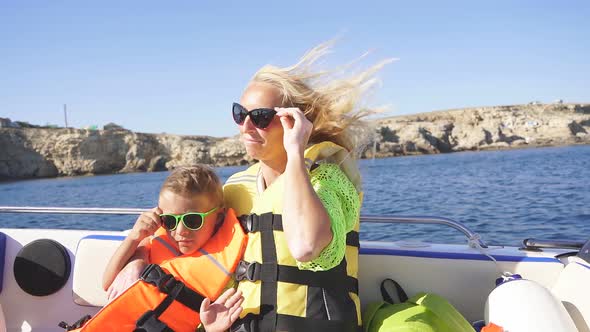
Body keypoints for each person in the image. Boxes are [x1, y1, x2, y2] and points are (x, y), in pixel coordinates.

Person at [224, 41, 391, 332]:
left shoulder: (326, 178)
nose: (246, 127)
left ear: (294, 121)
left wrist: (295, 153)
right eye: (241, 114)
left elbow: (306, 247)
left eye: (261, 117)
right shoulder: (236, 188)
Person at [93, 165, 246, 332]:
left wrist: (211, 329)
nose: (180, 231)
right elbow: (107, 282)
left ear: (218, 217)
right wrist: (134, 239)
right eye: (170, 221)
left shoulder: (230, 268)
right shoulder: (150, 245)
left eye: (193, 220)